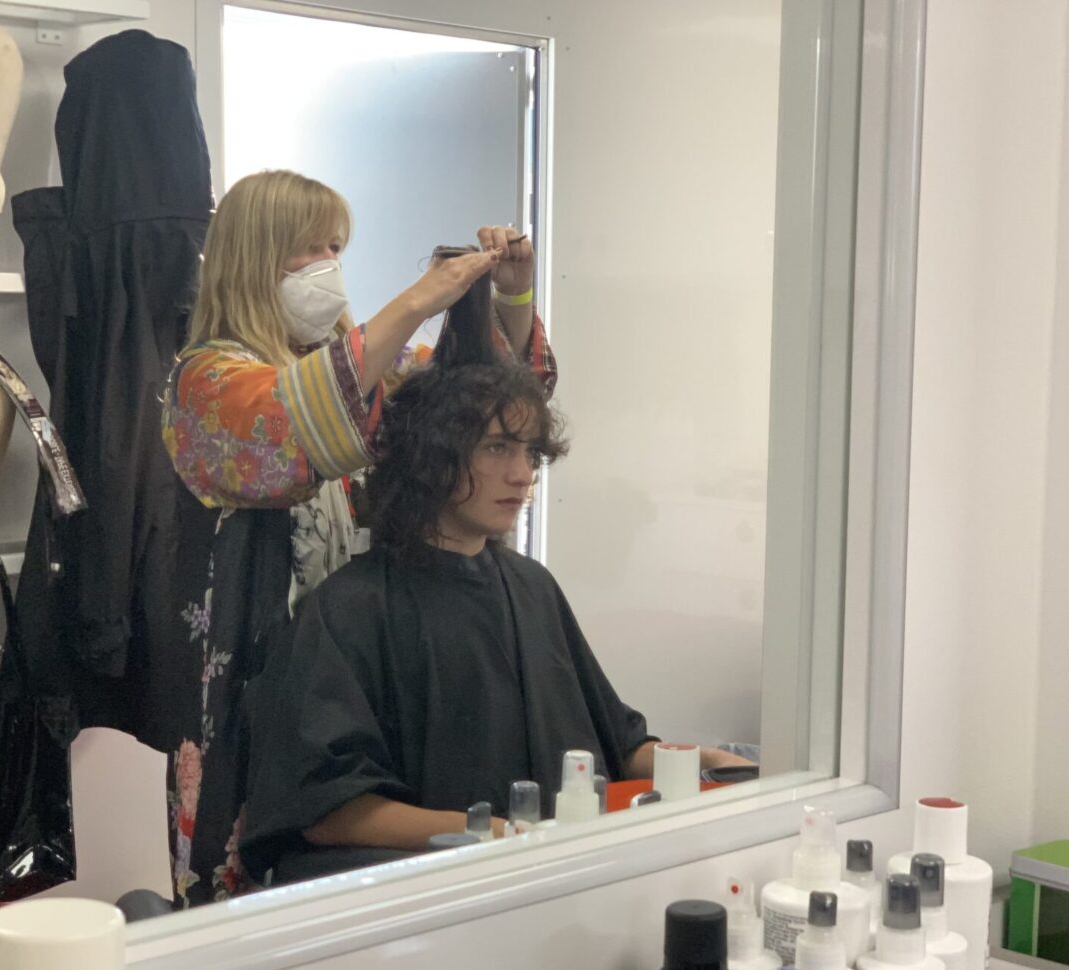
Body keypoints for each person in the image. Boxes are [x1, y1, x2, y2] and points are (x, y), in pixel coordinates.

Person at [158, 169, 554, 906]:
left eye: (337, 246)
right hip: (253, 676)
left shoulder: (366, 370)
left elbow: (484, 405)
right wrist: (415, 302)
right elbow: (293, 421)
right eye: (309, 249)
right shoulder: (204, 384)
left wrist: (511, 296)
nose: (329, 267)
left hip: (353, 673)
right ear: (253, 257)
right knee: (255, 890)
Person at [239, 339, 751, 884]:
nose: (522, 475)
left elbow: (619, 746)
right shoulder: (350, 610)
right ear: (430, 456)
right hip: (430, 906)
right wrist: (491, 834)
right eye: (496, 449)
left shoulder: (534, 590)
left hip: (553, 886)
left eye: (529, 452)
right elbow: (327, 812)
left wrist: (710, 762)